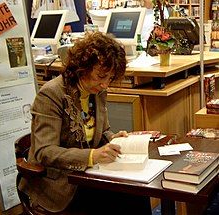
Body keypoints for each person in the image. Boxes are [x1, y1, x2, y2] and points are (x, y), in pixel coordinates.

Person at [19, 32, 152, 215]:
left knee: (137, 192)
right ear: (83, 67)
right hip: (60, 185)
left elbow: (101, 129)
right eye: (101, 76)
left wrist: (113, 139)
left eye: (110, 78)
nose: (105, 85)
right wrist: (92, 156)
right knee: (122, 201)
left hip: (88, 176)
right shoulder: (51, 94)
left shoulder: (96, 91)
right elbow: (44, 152)